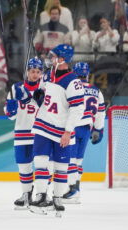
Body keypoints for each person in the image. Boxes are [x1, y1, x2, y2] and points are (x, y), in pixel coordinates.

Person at [25, 44, 83, 216]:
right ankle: (41, 195)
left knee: (61, 166)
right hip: (43, 124)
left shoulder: (73, 81)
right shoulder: (49, 74)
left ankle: (57, 197)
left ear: (63, 59)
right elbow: (43, 93)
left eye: (54, 56)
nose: (50, 58)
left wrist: (68, 131)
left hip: (61, 130)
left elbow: (77, 109)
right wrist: (38, 96)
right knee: (41, 162)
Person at [63, 62, 105, 204]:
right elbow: (100, 112)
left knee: (70, 161)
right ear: (87, 74)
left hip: (73, 127)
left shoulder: (72, 87)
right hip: (87, 129)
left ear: (74, 73)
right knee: (78, 162)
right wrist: (98, 130)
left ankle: (73, 190)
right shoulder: (96, 90)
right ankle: (77, 189)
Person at [5, 58, 43, 209]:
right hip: (22, 132)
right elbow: (10, 115)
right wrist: (12, 107)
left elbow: (48, 108)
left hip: (40, 131)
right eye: (32, 71)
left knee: (42, 166)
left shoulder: (46, 87)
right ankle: (26, 194)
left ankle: (42, 195)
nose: (35, 75)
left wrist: (34, 98)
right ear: (27, 72)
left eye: (38, 72)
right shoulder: (16, 88)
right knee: (23, 165)